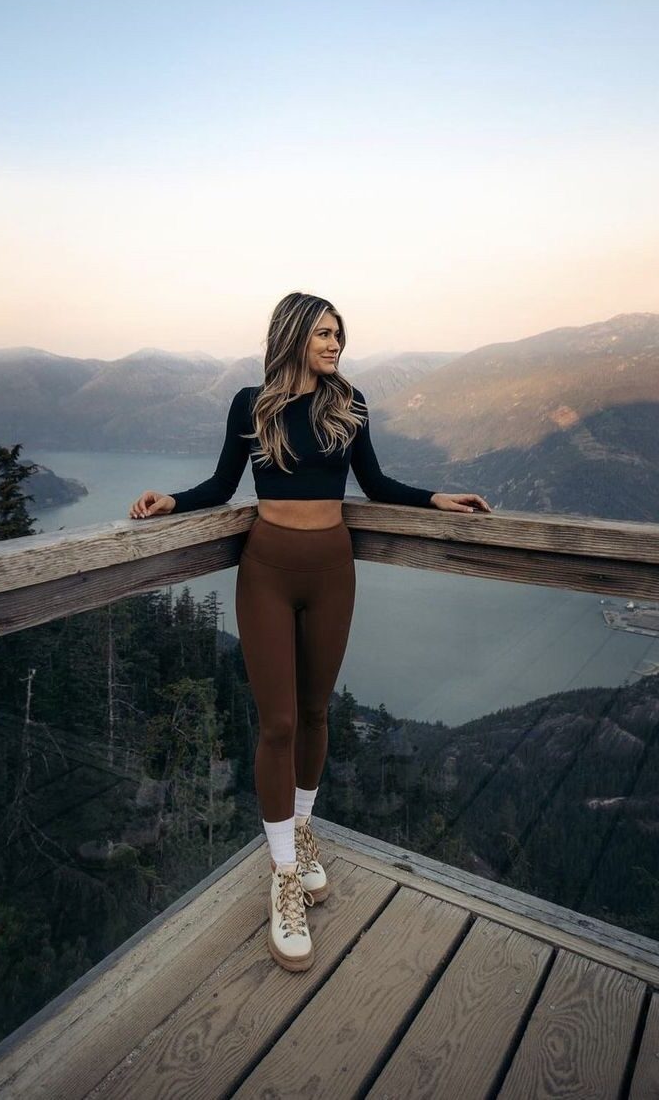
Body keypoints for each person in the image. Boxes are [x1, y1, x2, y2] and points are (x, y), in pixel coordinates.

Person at [129, 292, 491, 971]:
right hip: (265, 568)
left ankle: (299, 832)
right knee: (278, 724)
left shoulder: (348, 405)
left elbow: (375, 484)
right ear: (293, 336)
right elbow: (221, 485)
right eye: (324, 334)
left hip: (331, 569)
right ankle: (283, 876)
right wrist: (170, 500)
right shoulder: (252, 403)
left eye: (338, 336)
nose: (334, 346)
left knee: (317, 712)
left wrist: (434, 497)